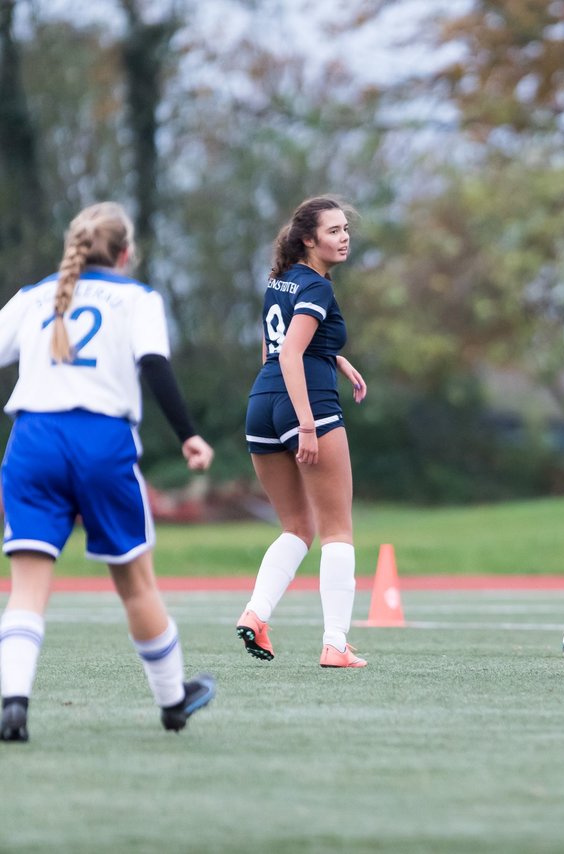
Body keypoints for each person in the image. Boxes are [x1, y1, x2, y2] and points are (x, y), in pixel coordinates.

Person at [0, 202, 216, 742]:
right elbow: (155, 365)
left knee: (26, 588)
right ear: (125, 253)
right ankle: (173, 701)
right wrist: (188, 433)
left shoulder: (31, 297)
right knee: (135, 584)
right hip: (102, 442)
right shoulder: (137, 298)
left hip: (33, 441)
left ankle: (13, 705)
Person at [237, 196, 368, 668]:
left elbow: (280, 346)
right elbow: (292, 354)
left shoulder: (280, 281)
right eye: (333, 230)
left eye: (345, 228)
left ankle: (256, 614)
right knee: (337, 530)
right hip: (304, 404)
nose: (344, 236)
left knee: (296, 527)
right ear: (309, 240)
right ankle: (335, 643)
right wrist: (308, 424)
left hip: (261, 405)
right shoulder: (317, 287)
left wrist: (336, 355)